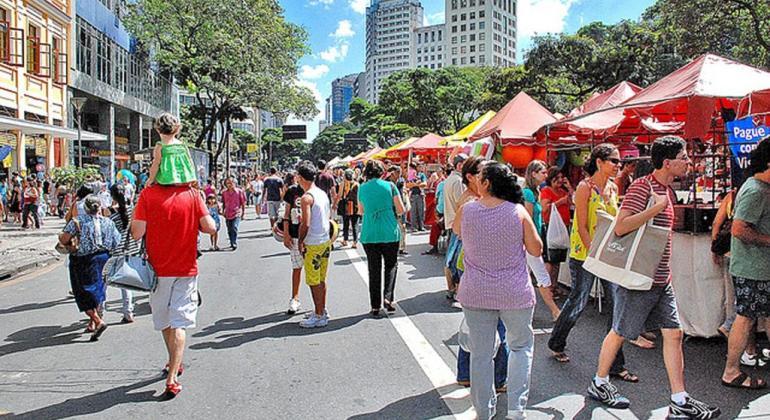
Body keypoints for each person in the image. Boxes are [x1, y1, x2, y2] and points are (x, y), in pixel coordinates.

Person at [589, 136, 720, 419]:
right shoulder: (642, 187)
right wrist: (655, 208)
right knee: (621, 332)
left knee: (674, 333)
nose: (688, 162)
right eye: (684, 157)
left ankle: (679, 399)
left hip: (660, 279)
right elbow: (621, 227)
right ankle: (599, 382)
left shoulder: (664, 189)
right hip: (639, 278)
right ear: (667, 162)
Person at [455, 161, 542, 420]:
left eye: (479, 178)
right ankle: (516, 409)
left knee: (480, 356)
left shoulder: (467, 210)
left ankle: (484, 412)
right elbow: (536, 249)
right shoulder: (517, 211)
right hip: (515, 292)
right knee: (520, 348)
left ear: (487, 183)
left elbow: (457, 231)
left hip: (476, 292)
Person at [549, 144, 635, 382]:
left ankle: (617, 364)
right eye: (614, 161)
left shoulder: (612, 187)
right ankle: (557, 341)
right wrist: (593, 252)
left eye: (619, 162)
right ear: (599, 161)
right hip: (584, 254)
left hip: (606, 254)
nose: (618, 165)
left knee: (615, 305)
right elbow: (582, 225)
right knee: (578, 300)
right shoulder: (584, 187)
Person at [131, 181, 217, 399]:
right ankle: (172, 376)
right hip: (186, 269)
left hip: (157, 271)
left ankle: (173, 365)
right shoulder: (193, 194)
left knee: (165, 320)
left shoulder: (147, 195)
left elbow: (136, 233)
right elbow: (210, 227)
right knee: (179, 322)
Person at [721, 136, 770, 390]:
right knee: (746, 317)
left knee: (753, 316)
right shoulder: (756, 190)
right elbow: (739, 229)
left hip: (759, 268)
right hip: (752, 268)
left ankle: (733, 369)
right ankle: (731, 371)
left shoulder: (758, 187)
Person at [58, 195, 121, 341]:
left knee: (82, 292)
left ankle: (97, 320)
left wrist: (62, 235)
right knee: (98, 289)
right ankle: (93, 322)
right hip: (104, 258)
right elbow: (116, 242)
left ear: (85, 208)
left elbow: (64, 239)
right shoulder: (108, 223)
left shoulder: (77, 222)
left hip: (83, 261)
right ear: (100, 207)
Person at [358, 160, 404, 316]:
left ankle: (375, 305)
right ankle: (388, 298)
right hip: (389, 231)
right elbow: (401, 209)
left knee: (373, 269)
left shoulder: (362, 189)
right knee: (391, 266)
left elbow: (361, 211)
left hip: (369, 233)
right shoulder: (390, 186)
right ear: (381, 172)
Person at [523, 160, 561, 322]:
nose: (546, 175)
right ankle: (555, 311)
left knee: (526, 276)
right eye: (543, 172)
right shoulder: (529, 193)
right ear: (533, 173)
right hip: (529, 242)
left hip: (531, 240)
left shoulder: (535, 191)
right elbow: (528, 219)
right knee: (542, 276)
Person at [296, 161, 332, 329]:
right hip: (325, 241)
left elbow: (306, 223)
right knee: (321, 280)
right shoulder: (321, 193)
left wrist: (300, 240)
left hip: (313, 242)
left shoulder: (306, 198)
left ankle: (319, 315)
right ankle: (321, 310)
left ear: (301, 178)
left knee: (313, 280)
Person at [107, 184, 141, 323]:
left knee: (106, 281)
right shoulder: (132, 210)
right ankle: (128, 312)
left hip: (117, 249)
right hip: (132, 248)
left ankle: (100, 311)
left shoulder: (110, 213)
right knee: (126, 283)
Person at [540, 166, 573, 288]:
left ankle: (554, 285)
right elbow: (545, 208)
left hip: (563, 227)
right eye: (557, 178)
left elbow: (573, 201)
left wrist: (569, 187)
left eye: (561, 178)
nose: (560, 180)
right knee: (550, 259)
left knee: (558, 259)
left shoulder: (563, 192)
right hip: (551, 227)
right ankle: (547, 287)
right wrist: (560, 202)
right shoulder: (546, 191)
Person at [147, 113, 196, 187]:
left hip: (167, 180)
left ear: (157, 129)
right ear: (177, 130)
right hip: (184, 178)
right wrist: (193, 177)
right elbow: (190, 161)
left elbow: (156, 164)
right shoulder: (182, 145)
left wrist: (150, 180)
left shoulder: (160, 146)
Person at [444, 154, 467, 304]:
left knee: (451, 257)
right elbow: (462, 204)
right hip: (457, 224)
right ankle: (455, 289)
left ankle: (451, 288)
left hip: (451, 222)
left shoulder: (449, 180)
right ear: (459, 166)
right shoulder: (458, 181)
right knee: (456, 259)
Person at [282, 172, 304, 315]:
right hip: (295, 234)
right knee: (296, 267)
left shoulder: (316, 191)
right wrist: (286, 233)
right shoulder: (292, 191)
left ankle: (320, 305)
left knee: (316, 272)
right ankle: (295, 298)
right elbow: (287, 213)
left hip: (312, 237)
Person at [425, 166, 448, 255]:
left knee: (435, 226)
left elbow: (436, 199)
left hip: (443, 212)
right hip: (449, 211)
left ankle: (434, 247)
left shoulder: (441, 184)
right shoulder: (440, 183)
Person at [388, 165, 409, 256]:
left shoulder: (401, 181)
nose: (398, 175)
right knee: (393, 227)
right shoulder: (388, 182)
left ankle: (401, 247)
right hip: (392, 207)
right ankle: (393, 246)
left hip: (400, 206)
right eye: (397, 172)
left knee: (402, 227)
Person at [221, 177, 246, 250]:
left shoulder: (239, 192)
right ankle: (231, 241)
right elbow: (224, 203)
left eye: (231, 183)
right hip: (228, 213)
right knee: (229, 229)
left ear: (234, 183)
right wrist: (223, 211)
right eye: (228, 183)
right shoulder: (224, 193)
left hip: (236, 213)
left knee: (234, 227)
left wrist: (243, 213)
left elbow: (243, 203)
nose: (230, 185)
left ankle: (234, 242)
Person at [338, 170, 360, 248]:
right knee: (355, 224)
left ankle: (345, 240)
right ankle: (355, 242)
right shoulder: (357, 184)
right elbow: (359, 197)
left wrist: (335, 204)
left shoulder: (343, 184)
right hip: (355, 206)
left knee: (346, 223)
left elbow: (340, 195)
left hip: (346, 206)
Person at [406, 162, 428, 231]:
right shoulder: (410, 174)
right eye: (419, 166)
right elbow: (408, 185)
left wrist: (415, 184)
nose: (420, 168)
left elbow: (424, 184)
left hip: (420, 194)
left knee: (421, 211)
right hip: (412, 194)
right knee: (413, 211)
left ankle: (421, 226)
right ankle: (414, 227)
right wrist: (417, 184)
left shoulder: (422, 175)